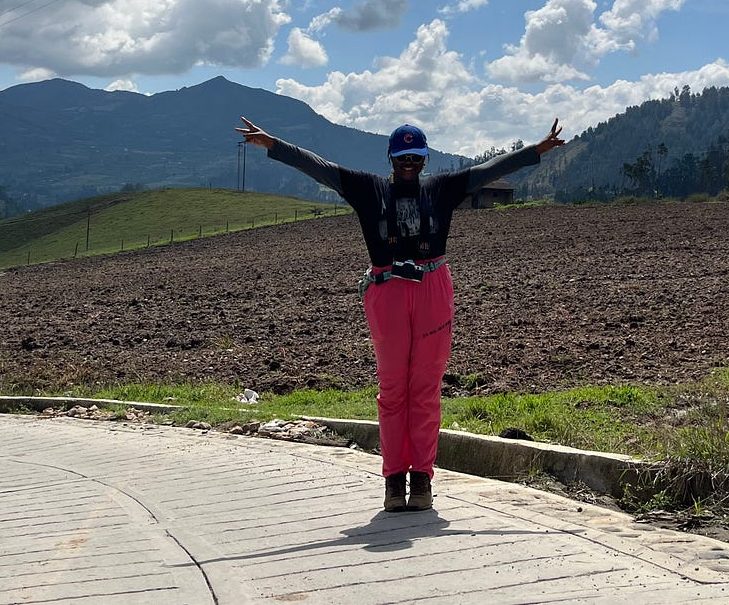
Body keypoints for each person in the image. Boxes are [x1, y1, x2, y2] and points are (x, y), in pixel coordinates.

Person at [235, 115, 565, 513]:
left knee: (425, 389)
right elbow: (318, 167)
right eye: (402, 156)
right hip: (387, 290)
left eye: (416, 157)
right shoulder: (367, 188)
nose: (409, 163)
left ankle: (421, 478)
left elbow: (488, 170)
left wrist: (536, 150)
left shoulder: (441, 189)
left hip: (432, 289)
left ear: (425, 159)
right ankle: (394, 480)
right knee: (393, 389)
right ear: (390, 157)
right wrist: (274, 145)